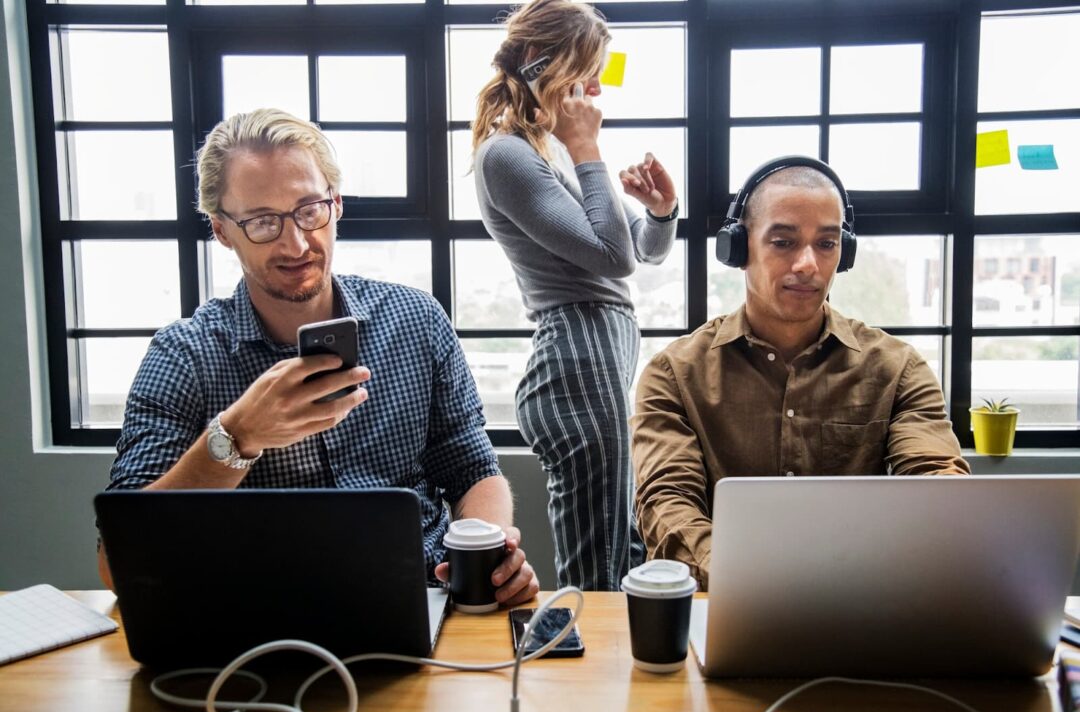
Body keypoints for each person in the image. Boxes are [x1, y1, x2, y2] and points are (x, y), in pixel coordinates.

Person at [98, 108, 539, 608]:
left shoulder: (416, 320)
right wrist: (236, 438)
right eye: (263, 222)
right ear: (222, 231)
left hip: (422, 595)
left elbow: (473, 469)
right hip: (253, 616)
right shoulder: (185, 354)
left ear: (336, 204)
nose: (297, 243)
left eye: (310, 210)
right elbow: (119, 562)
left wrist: (486, 553)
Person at [631, 156, 970, 588]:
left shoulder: (898, 368)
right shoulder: (673, 374)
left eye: (826, 244)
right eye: (784, 242)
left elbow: (934, 480)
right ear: (738, 247)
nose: (808, 264)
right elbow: (667, 504)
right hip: (729, 602)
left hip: (862, 602)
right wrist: (749, 578)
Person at [471, 0, 679, 591]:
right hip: (577, 356)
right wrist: (590, 152)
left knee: (621, 551)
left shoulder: (550, 149)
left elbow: (640, 253)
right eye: (586, 72)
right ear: (540, 61)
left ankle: (618, 681)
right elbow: (614, 259)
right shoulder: (507, 153)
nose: (593, 91)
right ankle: (580, 680)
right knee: (598, 570)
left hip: (599, 355)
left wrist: (661, 211)